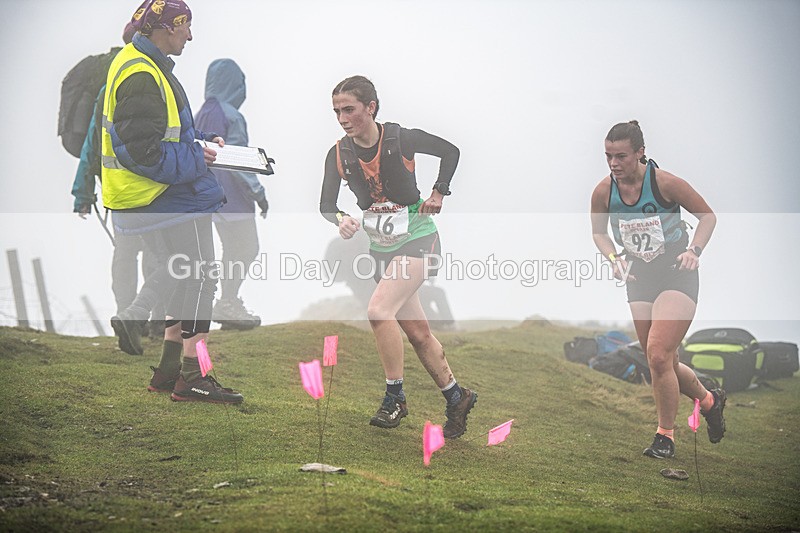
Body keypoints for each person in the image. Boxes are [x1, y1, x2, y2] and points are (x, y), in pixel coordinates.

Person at [319, 75, 476, 439]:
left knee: (378, 311)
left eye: (350, 109)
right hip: (380, 249)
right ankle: (457, 396)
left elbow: (451, 151)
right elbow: (327, 205)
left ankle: (395, 398)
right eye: (337, 111)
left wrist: (439, 192)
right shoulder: (338, 154)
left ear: (370, 108)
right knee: (419, 334)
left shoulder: (401, 138)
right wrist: (341, 220)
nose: (343, 119)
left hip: (419, 238)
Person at [104, 0, 242, 404]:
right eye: (187, 27)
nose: (191, 36)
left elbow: (160, 132)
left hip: (147, 194)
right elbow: (142, 151)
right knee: (202, 279)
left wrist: (197, 141)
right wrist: (197, 157)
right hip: (160, 193)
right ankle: (195, 376)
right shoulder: (142, 74)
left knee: (184, 276)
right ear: (167, 28)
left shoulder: (140, 62)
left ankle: (168, 372)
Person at [590, 120, 724, 458]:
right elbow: (599, 233)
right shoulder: (604, 191)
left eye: (621, 156)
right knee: (661, 360)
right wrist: (613, 258)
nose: (613, 164)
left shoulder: (664, 183)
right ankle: (709, 400)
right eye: (608, 156)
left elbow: (707, 216)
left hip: (676, 272)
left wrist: (694, 250)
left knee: (658, 355)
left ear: (640, 153)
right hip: (639, 277)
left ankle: (665, 435)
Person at [72, 20, 165, 344]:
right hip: (147, 191)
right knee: (157, 257)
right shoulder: (145, 78)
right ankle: (145, 321)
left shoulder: (109, 87)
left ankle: (130, 316)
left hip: (118, 193)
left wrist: (83, 192)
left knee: (128, 256)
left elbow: (90, 145)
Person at [194, 58, 266, 331]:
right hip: (234, 197)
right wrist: (259, 193)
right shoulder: (232, 115)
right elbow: (238, 158)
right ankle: (228, 302)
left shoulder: (199, 113)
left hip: (206, 195)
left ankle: (226, 305)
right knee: (247, 248)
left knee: (230, 251)